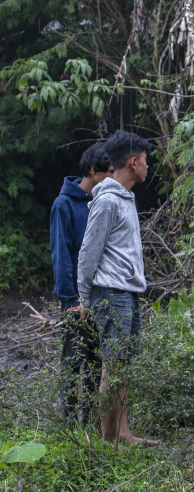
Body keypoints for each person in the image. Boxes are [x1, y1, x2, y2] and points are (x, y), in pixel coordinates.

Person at [76, 130, 157, 448]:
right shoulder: (107, 200)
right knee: (113, 365)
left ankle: (123, 434)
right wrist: (84, 298)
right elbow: (88, 252)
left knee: (122, 365)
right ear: (133, 161)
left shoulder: (124, 197)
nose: (148, 167)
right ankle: (109, 444)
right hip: (110, 293)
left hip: (125, 292)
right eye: (146, 161)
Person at [50, 143, 113, 426]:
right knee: (73, 363)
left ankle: (88, 425)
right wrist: (70, 300)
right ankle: (69, 427)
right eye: (108, 172)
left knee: (95, 363)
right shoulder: (63, 205)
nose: (112, 178)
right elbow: (61, 255)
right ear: (92, 170)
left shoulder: (100, 202)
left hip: (98, 297)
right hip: (76, 300)